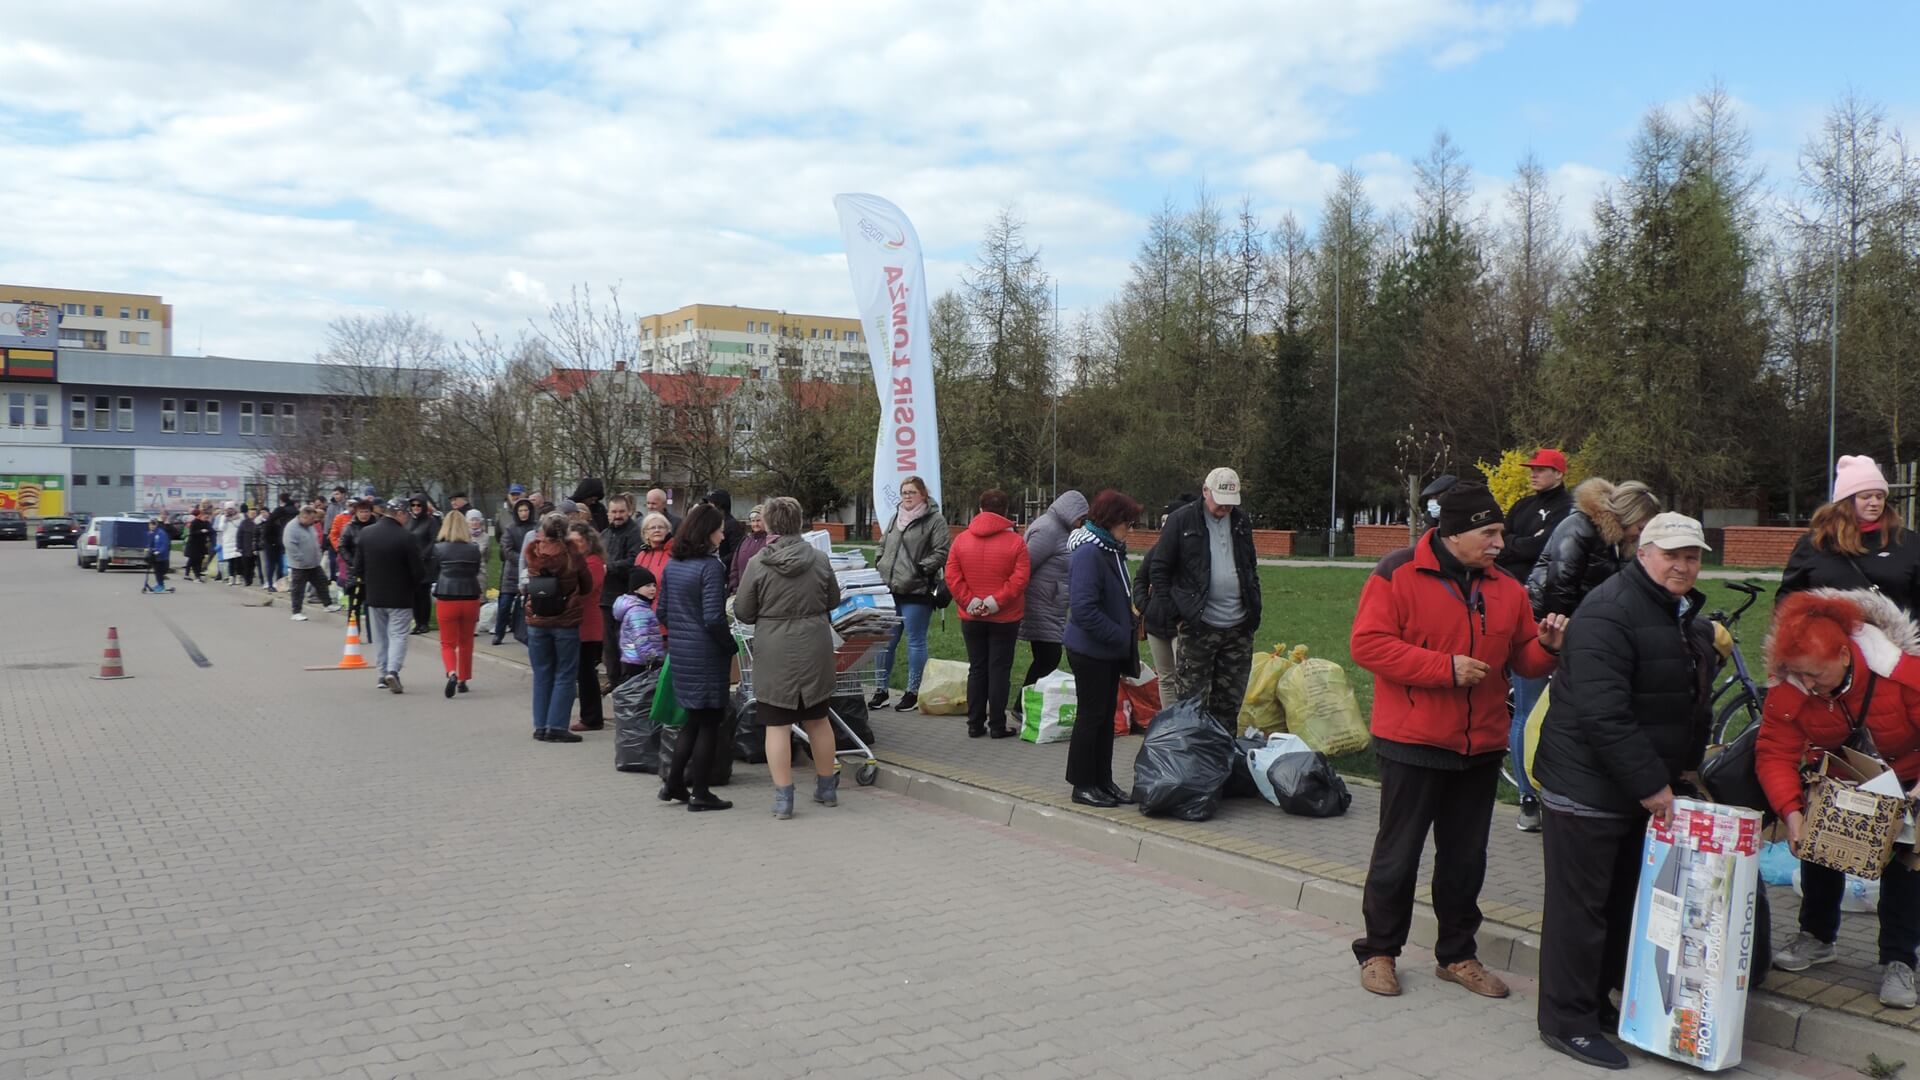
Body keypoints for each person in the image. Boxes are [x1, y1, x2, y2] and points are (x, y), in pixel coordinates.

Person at [1349, 485, 1566, 1001]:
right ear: (1452, 532)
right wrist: (1443, 669)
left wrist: (1549, 649)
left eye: (1500, 533)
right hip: (1413, 741)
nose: (1499, 542)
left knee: (1466, 859)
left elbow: (1522, 659)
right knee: (1397, 855)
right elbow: (1368, 644)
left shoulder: (1507, 588)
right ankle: (1379, 951)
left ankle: (1457, 955)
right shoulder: (1396, 573)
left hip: (1481, 746)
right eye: (1488, 533)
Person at [1526, 512, 1714, 1068]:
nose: (1683, 565)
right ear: (1643, 552)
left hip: (1632, 787)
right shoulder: (1609, 611)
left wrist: (1680, 773)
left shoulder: (1677, 612)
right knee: (1579, 911)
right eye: (1672, 554)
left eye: (1694, 556)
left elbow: (1675, 701)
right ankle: (1566, 1021)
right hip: (1586, 788)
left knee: (1620, 904)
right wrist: (1653, 786)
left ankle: (1597, 1005)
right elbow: (1603, 714)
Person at [1759, 589, 1920, 1010]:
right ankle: (1817, 935)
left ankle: (1899, 959)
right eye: (1800, 676)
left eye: (1816, 675)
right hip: (1841, 780)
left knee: (1907, 863)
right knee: (1818, 847)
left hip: (1910, 779)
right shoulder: (1792, 686)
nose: (1808, 686)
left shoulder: (1902, 676)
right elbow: (1774, 751)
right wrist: (1791, 814)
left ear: (1845, 656)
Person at [1517, 476, 1661, 833]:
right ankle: (1528, 797)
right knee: (1528, 712)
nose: (1641, 535)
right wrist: (1565, 641)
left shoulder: (1620, 543)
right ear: (1626, 516)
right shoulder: (1579, 527)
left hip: (1582, 630)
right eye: (1641, 526)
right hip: (1544, 627)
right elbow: (1559, 587)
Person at [734, 496, 841, 819]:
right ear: (798, 522)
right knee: (819, 719)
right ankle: (826, 788)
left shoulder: (758, 564)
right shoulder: (819, 559)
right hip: (814, 644)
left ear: (768, 523)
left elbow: (743, 610)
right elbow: (833, 598)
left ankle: (784, 799)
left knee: (777, 725)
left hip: (774, 646)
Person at [1144, 467, 1262, 722]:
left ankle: (1222, 757)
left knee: (1228, 706)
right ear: (1205, 491)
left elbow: (1250, 565)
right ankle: (1191, 758)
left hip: (1239, 628)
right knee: (1190, 707)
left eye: (1230, 504)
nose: (1225, 509)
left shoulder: (1241, 521)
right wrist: (1177, 614)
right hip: (1198, 627)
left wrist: (1254, 605)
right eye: (1220, 503)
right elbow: (1159, 569)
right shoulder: (1181, 520)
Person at [1064, 490, 1145, 808]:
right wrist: (1119, 634)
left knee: (1104, 717)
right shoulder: (1089, 554)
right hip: (1091, 651)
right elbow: (1083, 609)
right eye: (1128, 522)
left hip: (1108, 650)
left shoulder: (1111, 549)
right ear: (1112, 520)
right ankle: (1082, 783)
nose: (1131, 528)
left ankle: (1103, 780)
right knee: (1091, 717)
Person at [659, 504, 735, 811]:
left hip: (681, 650)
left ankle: (674, 783)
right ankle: (700, 792)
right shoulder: (711, 568)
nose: (723, 533)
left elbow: (662, 610)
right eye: (719, 528)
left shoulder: (673, 564)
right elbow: (714, 617)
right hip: (706, 654)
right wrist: (729, 646)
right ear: (707, 532)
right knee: (709, 723)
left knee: (692, 720)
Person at [1780, 455, 1920, 613]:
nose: (1875, 503)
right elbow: (1789, 598)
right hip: (1830, 636)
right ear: (1846, 502)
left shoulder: (1908, 542)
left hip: (1892, 636)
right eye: (1865, 497)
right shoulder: (1815, 543)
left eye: (1880, 497)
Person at [946, 489, 1032, 738]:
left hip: (971, 616)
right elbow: (1020, 579)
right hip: (1005, 616)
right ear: (1006, 510)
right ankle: (997, 724)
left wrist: (970, 601)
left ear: (980, 508)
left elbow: (952, 575)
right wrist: (995, 602)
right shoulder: (1017, 543)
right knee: (999, 670)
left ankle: (974, 723)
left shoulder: (961, 540)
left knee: (977, 668)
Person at [871, 476, 951, 712]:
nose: (906, 496)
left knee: (915, 642)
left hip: (917, 591)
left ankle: (913, 691)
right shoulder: (896, 517)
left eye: (911, 492)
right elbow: (884, 543)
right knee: (886, 643)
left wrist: (920, 569)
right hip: (890, 589)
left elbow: (942, 551)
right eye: (904, 492)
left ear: (923, 495)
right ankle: (880, 690)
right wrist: (880, 561)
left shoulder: (934, 520)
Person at [524, 512, 593, 743]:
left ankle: (540, 725)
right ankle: (557, 726)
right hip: (565, 620)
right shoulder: (572, 552)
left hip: (537, 618)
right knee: (565, 673)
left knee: (542, 672)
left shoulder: (533, 550)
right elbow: (587, 585)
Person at [1019, 490, 1089, 690]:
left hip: (1050, 603)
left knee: (1047, 657)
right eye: (1081, 518)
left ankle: (1026, 704)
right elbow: (1026, 565)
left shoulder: (1060, 529)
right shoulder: (1048, 530)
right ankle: (1022, 705)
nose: (1082, 523)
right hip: (1040, 604)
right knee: (1048, 657)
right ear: (1070, 511)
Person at [353, 500, 425, 693]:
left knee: (380, 637)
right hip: (400, 596)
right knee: (399, 635)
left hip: (375, 595)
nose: (408, 518)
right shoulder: (406, 537)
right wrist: (414, 586)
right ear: (400, 514)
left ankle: (381, 673)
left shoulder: (366, 534)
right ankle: (393, 670)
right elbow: (417, 571)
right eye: (407, 514)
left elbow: (358, 566)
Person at [1133, 493, 1193, 699]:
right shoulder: (1156, 550)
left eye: (1169, 521)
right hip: (1156, 625)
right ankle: (1170, 725)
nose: (1164, 527)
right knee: (1166, 678)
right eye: (1162, 522)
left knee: (1186, 678)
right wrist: (1145, 607)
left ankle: (1185, 725)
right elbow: (1140, 579)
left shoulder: (1193, 552)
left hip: (1182, 625)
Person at [429, 511, 484, 699]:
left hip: (447, 596)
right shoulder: (473, 548)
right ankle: (463, 680)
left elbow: (434, 572)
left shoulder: (438, 548)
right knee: (466, 641)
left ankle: (452, 672)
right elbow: (476, 570)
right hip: (470, 596)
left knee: (447, 643)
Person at [597, 494, 643, 686]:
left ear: (629, 511)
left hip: (625, 597)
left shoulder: (635, 533)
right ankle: (613, 678)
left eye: (621, 511)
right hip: (605, 598)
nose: (617, 515)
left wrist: (610, 567)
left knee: (625, 641)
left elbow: (634, 560)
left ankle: (626, 681)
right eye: (614, 511)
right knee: (608, 644)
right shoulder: (604, 535)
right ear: (608, 514)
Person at [568, 523, 608, 731]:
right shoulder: (581, 561)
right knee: (582, 673)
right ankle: (589, 715)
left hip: (589, 626)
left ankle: (592, 717)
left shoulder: (592, 562)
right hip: (580, 624)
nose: (574, 545)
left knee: (586, 674)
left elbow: (585, 590)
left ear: (587, 542)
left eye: (578, 541)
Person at [282, 507, 336, 621]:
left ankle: (328, 604)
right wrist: (300, 559)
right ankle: (296, 612)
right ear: (304, 516)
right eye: (311, 518)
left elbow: (314, 541)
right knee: (298, 589)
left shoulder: (309, 526)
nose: (314, 521)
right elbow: (290, 546)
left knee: (322, 582)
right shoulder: (291, 528)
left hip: (314, 563)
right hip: (299, 565)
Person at [493, 498, 535, 645]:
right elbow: (507, 550)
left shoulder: (535, 528)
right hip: (511, 573)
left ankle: (525, 633)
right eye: (521, 510)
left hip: (529, 572)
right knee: (504, 604)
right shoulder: (510, 529)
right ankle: (499, 633)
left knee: (528, 606)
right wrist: (523, 558)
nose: (524, 513)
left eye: (526, 510)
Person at [614, 565, 665, 678]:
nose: (652, 589)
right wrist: (652, 658)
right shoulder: (638, 611)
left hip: (633, 659)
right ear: (635, 589)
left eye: (654, 585)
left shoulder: (640, 607)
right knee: (639, 693)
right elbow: (640, 637)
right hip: (640, 662)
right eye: (647, 586)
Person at [406, 495, 440, 634]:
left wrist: (424, 554)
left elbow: (434, 540)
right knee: (413, 594)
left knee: (423, 594)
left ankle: (424, 622)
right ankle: (417, 622)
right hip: (410, 563)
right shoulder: (409, 521)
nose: (415, 508)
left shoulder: (431, 522)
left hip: (425, 563)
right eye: (413, 505)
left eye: (418, 505)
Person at [632, 512, 674, 619]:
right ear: (645, 533)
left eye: (661, 527)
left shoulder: (674, 554)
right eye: (652, 528)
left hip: (665, 614)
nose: (657, 530)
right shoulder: (641, 556)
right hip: (642, 615)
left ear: (668, 531)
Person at [728, 504, 771, 593]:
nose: (755, 524)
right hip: (741, 592)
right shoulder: (744, 541)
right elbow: (734, 566)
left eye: (758, 520)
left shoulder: (771, 541)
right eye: (753, 521)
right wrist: (734, 586)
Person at [704, 488, 745, 570]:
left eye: (711, 503)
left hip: (725, 572)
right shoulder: (712, 522)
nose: (708, 506)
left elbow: (736, 551)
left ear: (720, 505)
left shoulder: (732, 525)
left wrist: (719, 561)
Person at [263, 494, 295, 593]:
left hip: (275, 544)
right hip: (273, 544)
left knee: (277, 565)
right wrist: (273, 541)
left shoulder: (278, 519)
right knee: (275, 565)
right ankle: (272, 584)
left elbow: (267, 531)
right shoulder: (278, 520)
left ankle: (275, 584)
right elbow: (267, 532)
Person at [183, 508, 213, 582]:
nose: (206, 518)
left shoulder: (206, 523)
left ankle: (198, 576)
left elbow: (210, 531)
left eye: (207, 517)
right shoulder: (195, 522)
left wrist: (208, 532)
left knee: (200, 560)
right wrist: (201, 531)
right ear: (201, 515)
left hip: (201, 545)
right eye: (205, 517)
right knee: (193, 560)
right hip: (193, 544)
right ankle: (193, 575)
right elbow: (192, 533)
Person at [218, 505, 244, 588]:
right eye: (228, 509)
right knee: (230, 561)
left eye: (231, 509)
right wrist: (225, 520)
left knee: (238, 560)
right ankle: (231, 577)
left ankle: (238, 577)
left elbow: (241, 527)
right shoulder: (223, 517)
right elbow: (221, 528)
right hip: (228, 541)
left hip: (237, 540)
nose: (230, 511)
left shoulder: (240, 517)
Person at [237, 506, 263, 587]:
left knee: (254, 565)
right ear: (248, 514)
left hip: (257, 547)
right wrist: (239, 546)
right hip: (246, 547)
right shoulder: (244, 523)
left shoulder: (259, 522)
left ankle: (259, 580)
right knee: (246, 565)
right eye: (251, 513)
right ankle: (247, 580)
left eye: (254, 513)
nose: (253, 515)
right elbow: (239, 535)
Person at [145, 517, 172, 592]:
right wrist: (148, 549)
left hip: (161, 557)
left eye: (153, 524)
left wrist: (159, 551)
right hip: (154, 556)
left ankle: (161, 586)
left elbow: (164, 544)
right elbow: (150, 544)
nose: (151, 526)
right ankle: (159, 584)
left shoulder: (161, 533)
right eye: (150, 524)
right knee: (156, 571)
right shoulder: (151, 533)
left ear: (156, 525)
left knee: (159, 572)